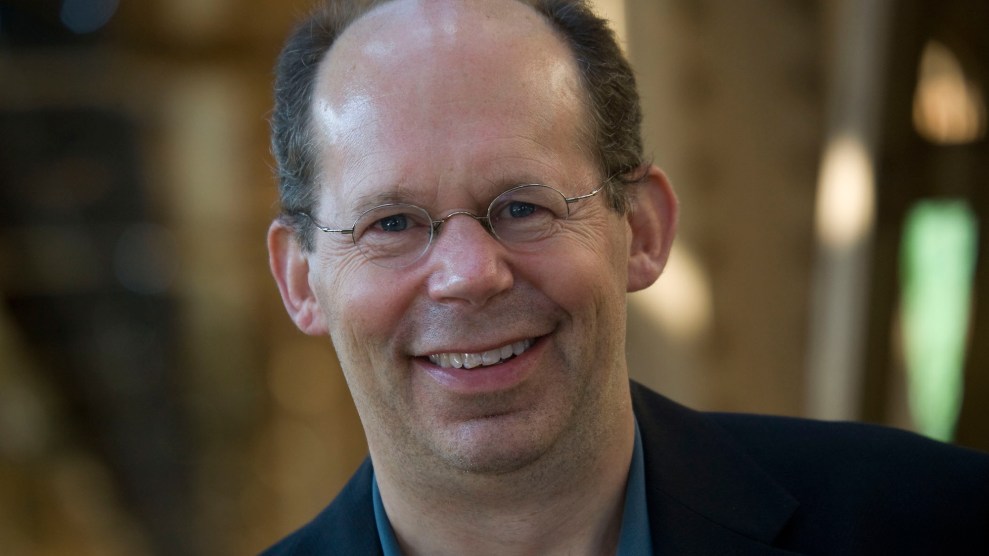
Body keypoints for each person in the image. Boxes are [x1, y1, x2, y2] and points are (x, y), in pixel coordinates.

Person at [263, 0, 989, 554]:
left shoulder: (941, 522)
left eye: (523, 207)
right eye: (391, 223)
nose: (469, 275)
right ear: (300, 279)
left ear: (642, 229)